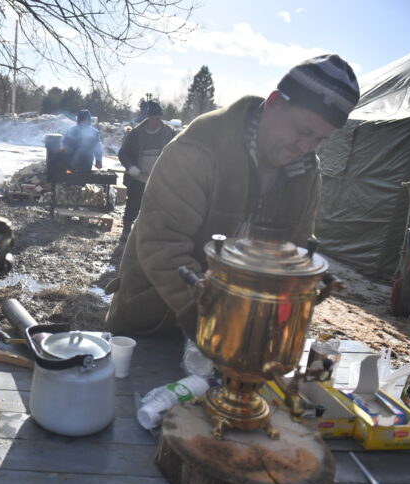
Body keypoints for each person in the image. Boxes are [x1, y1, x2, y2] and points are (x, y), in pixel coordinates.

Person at [105, 54, 360, 338]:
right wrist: (210, 320)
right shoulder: (199, 148)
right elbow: (162, 244)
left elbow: (293, 252)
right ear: (274, 102)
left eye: (319, 140)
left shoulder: (306, 173)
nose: (306, 146)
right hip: (155, 322)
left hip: (238, 331)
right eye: (303, 131)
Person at [118, 99, 176, 239]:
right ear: (148, 117)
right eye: (154, 118)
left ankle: (151, 235)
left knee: (156, 208)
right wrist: (131, 167)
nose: (156, 121)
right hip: (138, 178)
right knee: (133, 204)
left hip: (158, 179)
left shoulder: (169, 133)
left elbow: (175, 153)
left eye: (159, 118)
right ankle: (126, 231)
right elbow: (122, 153)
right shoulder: (136, 133)